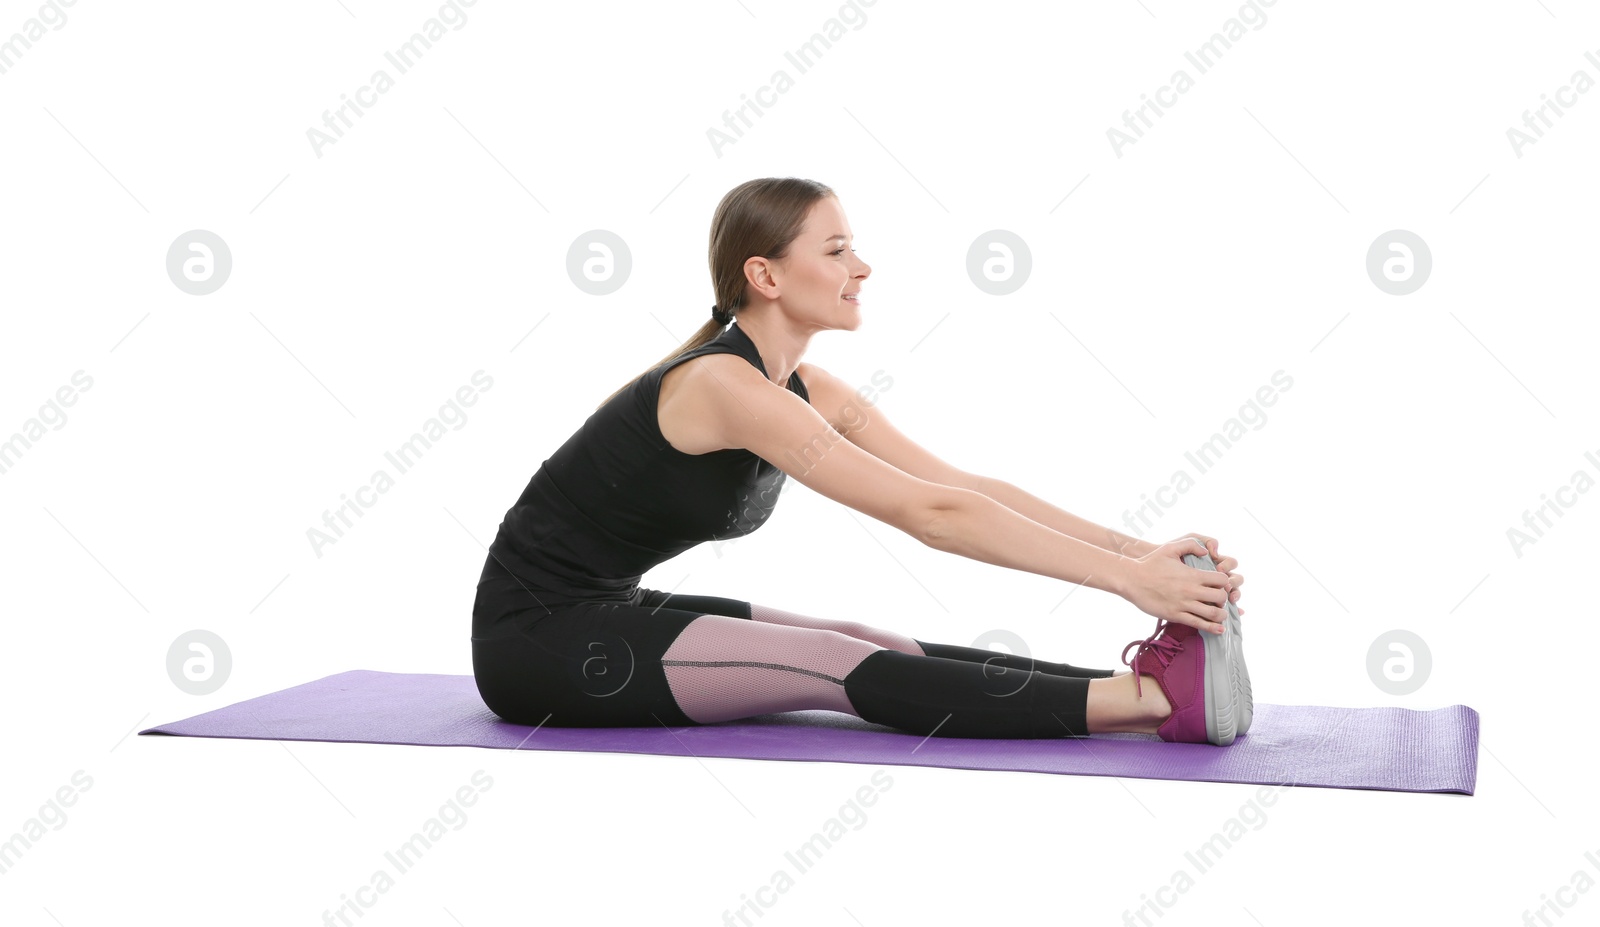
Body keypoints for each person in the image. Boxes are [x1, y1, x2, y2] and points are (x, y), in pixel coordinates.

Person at [471, 177, 1251, 744]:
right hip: (537, 641)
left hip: (605, 606)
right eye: (839, 250)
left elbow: (958, 485)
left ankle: (1152, 687)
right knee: (828, 661)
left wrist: (1138, 552)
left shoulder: (803, 383)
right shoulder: (721, 384)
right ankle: (1148, 702)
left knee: (857, 633)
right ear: (765, 275)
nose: (864, 268)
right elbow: (932, 518)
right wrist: (1128, 582)